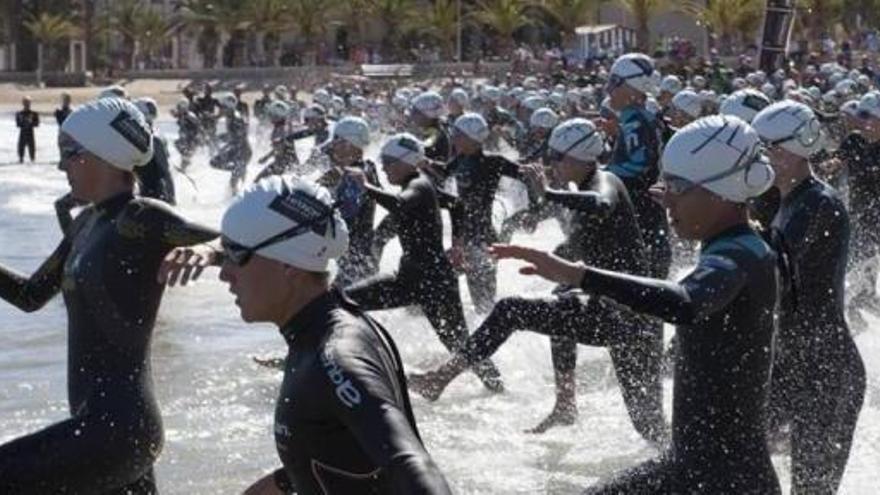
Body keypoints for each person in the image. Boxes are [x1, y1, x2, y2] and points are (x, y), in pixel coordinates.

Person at [484, 115, 782, 493]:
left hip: (725, 480)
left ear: (719, 192)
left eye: (677, 187)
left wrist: (580, 275)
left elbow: (685, 302)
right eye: (665, 186)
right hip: (695, 469)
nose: (665, 199)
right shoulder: (736, 245)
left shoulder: (740, 254)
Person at [160, 177, 453, 495]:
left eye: (236, 255)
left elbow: (412, 466)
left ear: (290, 266)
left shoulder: (337, 356)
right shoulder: (322, 328)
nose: (224, 273)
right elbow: (344, 459)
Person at [0, 98, 218, 493]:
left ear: (102, 155)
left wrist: (209, 252)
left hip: (116, 431)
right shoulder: (87, 223)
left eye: (69, 153)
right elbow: (31, 295)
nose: (61, 165)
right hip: (109, 430)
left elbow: (240, 243)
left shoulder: (140, 217)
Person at [409, 119, 667, 440]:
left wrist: (549, 193)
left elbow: (601, 205)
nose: (550, 164)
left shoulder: (606, 180)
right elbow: (578, 243)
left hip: (633, 318)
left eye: (556, 158)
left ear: (578, 157)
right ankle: (564, 403)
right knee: (534, 305)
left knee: (652, 429)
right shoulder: (578, 189)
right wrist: (529, 246)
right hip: (609, 308)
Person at [752, 100, 866, 493]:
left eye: (765, 147)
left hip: (828, 371)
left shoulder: (820, 203)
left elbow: (771, 267)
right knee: (730, 455)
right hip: (793, 362)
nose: (759, 155)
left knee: (810, 490)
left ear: (794, 148)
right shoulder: (784, 199)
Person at [345, 133, 504, 394]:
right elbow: (456, 204)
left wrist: (366, 187)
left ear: (407, 162)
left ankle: (497, 387)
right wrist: (457, 244)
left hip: (434, 283)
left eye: (388, 161)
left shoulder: (418, 186)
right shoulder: (423, 185)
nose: (383, 167)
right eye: (382, 160)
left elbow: (399, 204)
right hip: (411, 279)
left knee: (458, 343)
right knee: (343, 301)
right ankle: (330, 359)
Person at [425, 113, 529, 313]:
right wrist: (427, 164)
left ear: (473, 138)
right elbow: (445, 172)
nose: (454, 138)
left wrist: (528, 210)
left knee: (484, 300)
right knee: (442, 281)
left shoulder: (493, 162)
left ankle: (494, 327)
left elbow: (526, 175)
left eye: (458, 134)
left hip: (483, 237)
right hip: (465, 235)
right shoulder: (461, 158)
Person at [604, 53, 671, 281]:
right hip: (650, 221)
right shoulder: (640, 118)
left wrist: (600, 177)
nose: (609, 89)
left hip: (641, 224)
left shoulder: (635, 120)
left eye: (615, 82)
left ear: (633, 88)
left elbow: (638, 164)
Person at [317, 116, 380, 287]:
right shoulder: (368, 167)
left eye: (337, 140)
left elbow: (345, 217)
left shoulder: (354, 176)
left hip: (356, 265)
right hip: (362, 260)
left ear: (349, 143)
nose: (333, 145)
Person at [134, 97, 176, 205]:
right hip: (150, 191)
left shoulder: (153, 138)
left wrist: (171, 197)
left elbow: (164, 170)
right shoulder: (155, 134)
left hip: (153, 193)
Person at [210, 93, 252, 193]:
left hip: (243, 152)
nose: (220, 110)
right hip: (235, 150)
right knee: (214, 162)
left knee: (233, 184)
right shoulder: (230, 116)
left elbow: (239, 137)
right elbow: (232, 137)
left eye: (222, 107)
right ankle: (238, 169)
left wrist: (220, 139)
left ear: (228, 107)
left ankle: (239, 170)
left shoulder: (236, 118)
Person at [15, 96, 39, 163]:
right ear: (23, 103)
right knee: (21, 150)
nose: (27, 104)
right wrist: (24, 122)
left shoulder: (34, 113)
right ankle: (21, 160)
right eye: (25, 103)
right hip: (22, 133)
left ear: (30, 103)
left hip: (30, 133)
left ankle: (32, 162)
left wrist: (30, 122)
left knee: (32, 152)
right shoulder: (19, 113)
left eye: (28, 103)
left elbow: (37, 124)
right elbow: (18, 124)